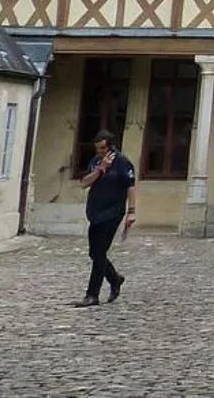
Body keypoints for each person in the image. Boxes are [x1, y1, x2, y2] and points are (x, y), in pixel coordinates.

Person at [75, 130, 136, 307]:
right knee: (94, 253)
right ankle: (115, 279)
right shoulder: (96, 161)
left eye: (103, 148)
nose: (100, 151)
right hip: (95, 212)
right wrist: (100, 169)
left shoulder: (122, 162)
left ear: (110, 146)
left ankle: (92, 294)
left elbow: (131, 187)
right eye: (97, 148)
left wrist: (131, 211)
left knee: (100, 252)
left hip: (113, 212)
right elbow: (84, 183)